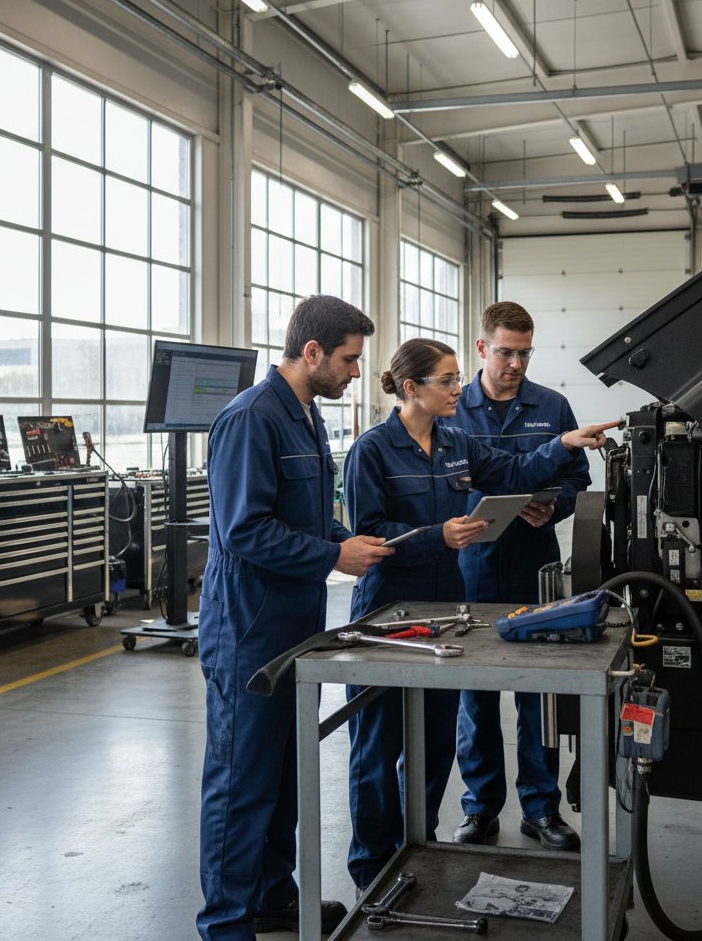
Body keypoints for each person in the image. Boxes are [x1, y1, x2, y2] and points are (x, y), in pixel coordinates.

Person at [341, 336, 616, 890]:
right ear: (412, 388)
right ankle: (373, 867)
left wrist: (563, 441)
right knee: (378, 750)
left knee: (436, 744)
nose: (457, 389)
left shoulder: (456, 442)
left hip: (446, 611)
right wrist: (436, 536)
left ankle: (412, 844)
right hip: (389, 615)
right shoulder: (371, 451)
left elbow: (513, 472)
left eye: (458, 378)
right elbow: (365, 537)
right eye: (446, 380)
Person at [197, 295, 392, 941]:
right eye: (348, 359)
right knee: (241, 784)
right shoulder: (251, 419)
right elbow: (244, 530)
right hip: (248, 633)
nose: (357, 372)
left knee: (283, 778)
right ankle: (226, 924)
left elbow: (305, 515)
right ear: (312, 353)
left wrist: (348, 539)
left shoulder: (306, 415)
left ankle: (273, 896)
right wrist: (333, 553)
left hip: (296, 628)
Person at [446, 301, 590, 852]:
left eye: (524, 353)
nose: (515, 363)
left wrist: (555, 508)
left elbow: (576, 478)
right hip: (471, 569)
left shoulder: (552, 406)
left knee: (538, 692)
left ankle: (541, 809)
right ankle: (480, 808)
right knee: (475, 695)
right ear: (482, 347)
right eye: (505, 351)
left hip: (536, 565)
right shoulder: (454, 409)